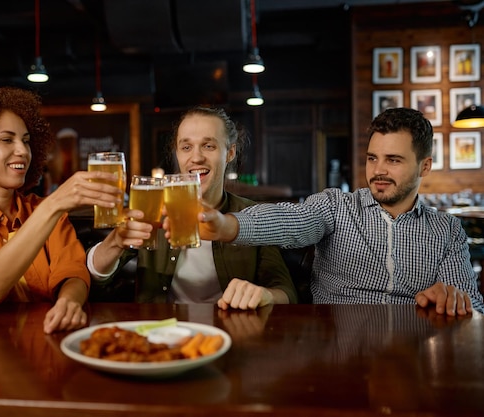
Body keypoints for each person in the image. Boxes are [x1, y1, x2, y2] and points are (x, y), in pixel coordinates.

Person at [191, 107, 484, 316]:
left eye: (393, 160)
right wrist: (227, 226)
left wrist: (455, 302)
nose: (378, 170)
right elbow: (290, 220)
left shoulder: (446, 230)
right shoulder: (337, 207)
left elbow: (474, 308)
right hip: (338, 349)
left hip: (412, 356)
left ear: (425, 166)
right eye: (372, 158)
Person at [0, 87, 123, 334]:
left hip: (46, 347)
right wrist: (53, 204)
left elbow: (72, 273)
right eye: (7, 140)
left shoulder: (44, 211)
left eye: (26, 141)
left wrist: (69, 301)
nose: (22, 151)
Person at [87, 106, 297, 309]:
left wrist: (264, 295)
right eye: (186, 147)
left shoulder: (253, 216)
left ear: (230, 152)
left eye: (209, 146)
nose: (196, 157)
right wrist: (115, 241)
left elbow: (286, 291)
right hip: (162, 334)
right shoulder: (152, 207)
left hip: (229, 334)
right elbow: (95, 278)